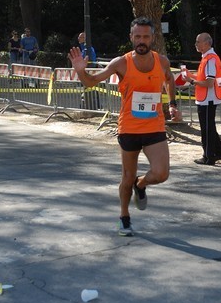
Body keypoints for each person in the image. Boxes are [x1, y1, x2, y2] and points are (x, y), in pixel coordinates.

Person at [68, 16, 178, 236]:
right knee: (127, 177)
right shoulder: (121, 63)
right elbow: (92, 82)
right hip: (129, 129)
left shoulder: (162, 61)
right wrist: (81, 71)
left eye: (146, 36)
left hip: (154, 127)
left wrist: (172, 103)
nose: (141, 41)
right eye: (137, 36)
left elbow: (169, 79)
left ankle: (142, 184)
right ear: (131, 37)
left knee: (161, 173)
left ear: (152, 38)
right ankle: (124, 217)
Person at [183, 33, 221, 165]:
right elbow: (205, 79)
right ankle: (218, 152)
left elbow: (208, 83)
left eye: (198, 42)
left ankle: (209, 156)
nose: (196, 44)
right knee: (209, 127)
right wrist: (192, 77)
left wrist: (191, 81)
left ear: (207, 43)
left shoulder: (210, 59)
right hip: (207, 98)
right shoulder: (207, 58)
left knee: (207, 128)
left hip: (208, 99)